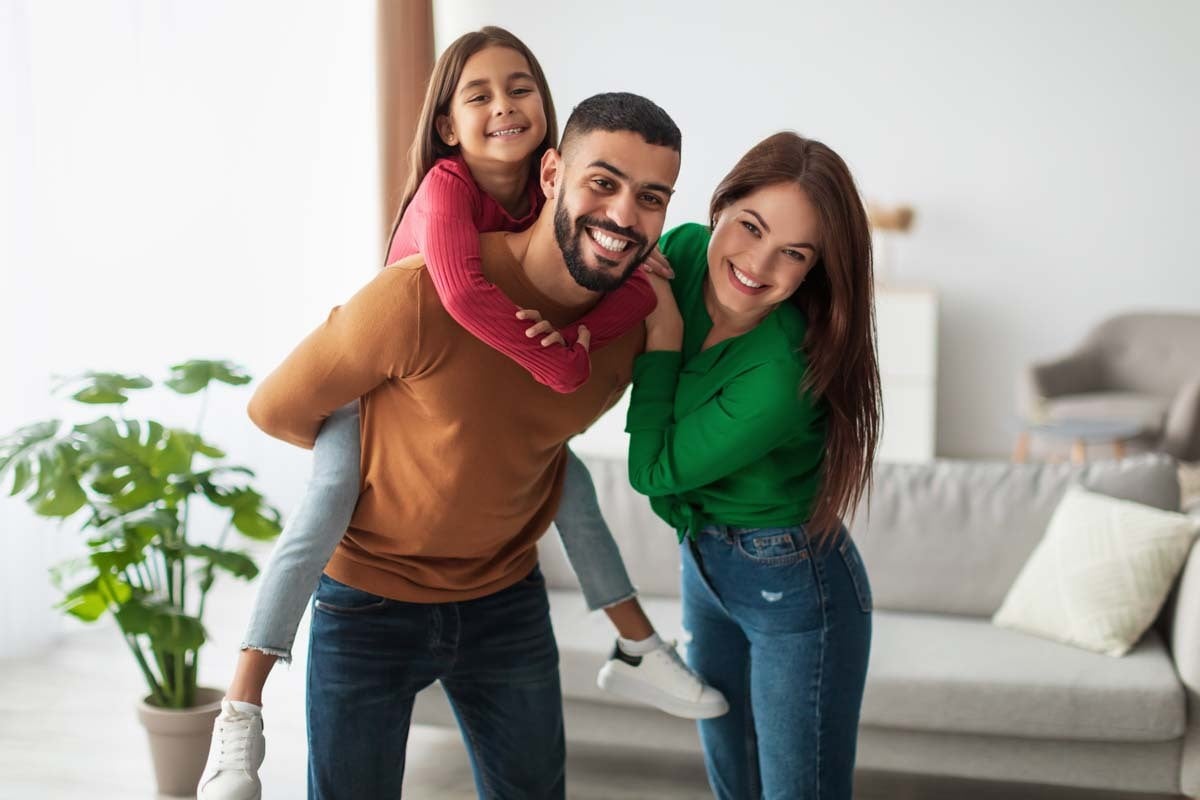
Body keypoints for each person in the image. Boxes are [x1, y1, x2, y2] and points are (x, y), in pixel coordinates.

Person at [212, 87, 697, 800]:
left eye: (652, 197)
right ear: (553, 174)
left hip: (506, 599)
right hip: (367, 600)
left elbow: (542, 443)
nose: (626, 216)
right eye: (603, 182)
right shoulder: (418, 297)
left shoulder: (627, 332)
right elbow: (278, 409)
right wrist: (364, 462)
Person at [628, 131, 882, 800]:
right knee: (730, 783)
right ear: (721, 206)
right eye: (751, 226)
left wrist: (660, 334)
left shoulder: (781, 375)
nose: (757, 264)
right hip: (703, 564)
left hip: (792, 585)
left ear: (813, 270)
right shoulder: (678, 253)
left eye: (793, 253)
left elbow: (653, 471)